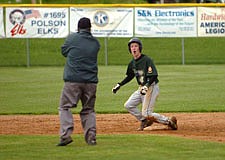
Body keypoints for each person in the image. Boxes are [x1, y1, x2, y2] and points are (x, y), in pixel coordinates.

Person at [112, 37, 177, 131]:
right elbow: (130, 76)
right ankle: (144, 120)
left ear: (139, 48)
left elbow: (154, 75)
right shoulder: (132, 63)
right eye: (131, 46)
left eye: (136, 46)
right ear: (129, 49)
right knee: (128, 105)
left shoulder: (147, 60)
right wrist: (119, 84)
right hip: (142, 88)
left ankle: (169, 121)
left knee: (147, 113)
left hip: (151, 87)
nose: (133, 48)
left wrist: (146, 86)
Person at [57, 17, 100, 146]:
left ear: (78, 28)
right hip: (91, 82)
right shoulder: (96, 43)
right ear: (90, 28)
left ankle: (66, 135)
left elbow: (64, 51)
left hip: (73, 80)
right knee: (88, 110)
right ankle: (91, 138)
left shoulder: (72, 38)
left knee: (64, 107)